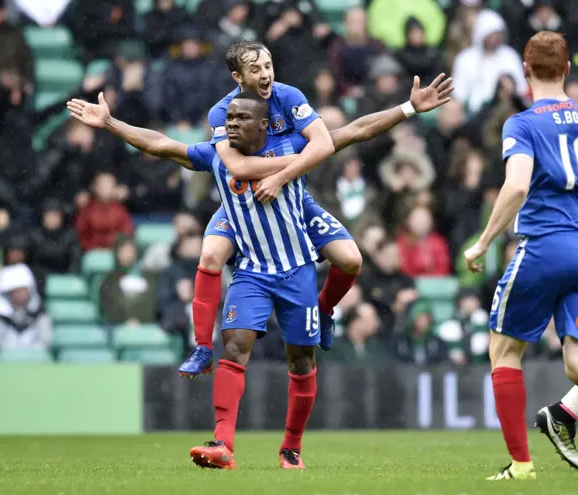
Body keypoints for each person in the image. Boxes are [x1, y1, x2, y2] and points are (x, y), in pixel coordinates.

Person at [67, 78, 452, 470]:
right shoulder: (217, 156)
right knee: (233, 346)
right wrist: (112, 123)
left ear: (265, 125)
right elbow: (160, 144)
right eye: (229, 117)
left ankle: (291, 449)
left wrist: (408, 108)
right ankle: (223, 444)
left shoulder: (292, 150)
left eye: (241, 118)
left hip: (297, 269)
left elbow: (355, 131)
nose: (230, 124)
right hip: (251, 270)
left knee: (301, 361)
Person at [180, 40, 451, 377]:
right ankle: (203, 346)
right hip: (243, 206)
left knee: (351, 259)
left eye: (268, 66)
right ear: (238, 77)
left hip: (293, 200)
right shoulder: (223, 113)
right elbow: (237, 167)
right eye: (256, 70)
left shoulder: (288, 97)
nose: (266, 75)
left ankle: (323, 310)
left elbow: (343, 135)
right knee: (209, 255)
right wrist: (112, 125)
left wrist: (408, 109)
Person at [463, 31, 578, 480]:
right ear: (567, 69)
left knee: (505, 351)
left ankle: (522, 466)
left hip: (544, 246)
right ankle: (566, 413)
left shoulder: (523, 123)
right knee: (573, 361)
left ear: (526, 71)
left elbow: (516, 185)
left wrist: (485, 239)